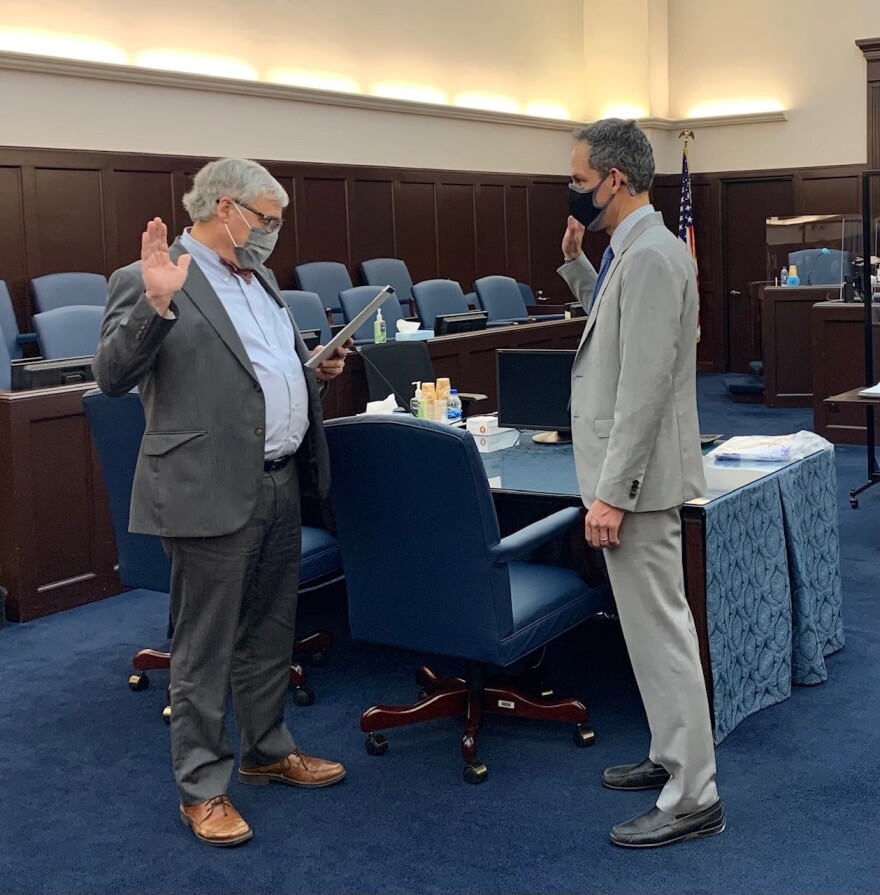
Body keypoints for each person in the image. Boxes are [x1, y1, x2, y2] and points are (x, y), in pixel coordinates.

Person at [94, 158, 349, 847]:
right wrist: (153, 307)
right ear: (226, 207)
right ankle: (202, 787)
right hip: (205, 485)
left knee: (270, 630)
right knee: (204, 645)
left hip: (277, 477)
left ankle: (267, 749)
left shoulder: (260, 278)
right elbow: (112, 376)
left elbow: (253, 376)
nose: (272, 236)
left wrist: (310, 373)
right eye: (266, 221)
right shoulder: (151, 276)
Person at [558, 120, 724, 848]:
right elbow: (618, 330)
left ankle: (694, 792)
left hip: (641, 485)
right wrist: (575, 268)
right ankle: (668, 752)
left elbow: (646, 385)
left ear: (614, 181)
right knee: (650, 634)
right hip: (631, 478)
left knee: (664, 635)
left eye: (578, 180)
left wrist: (612, 492)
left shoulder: (654, 256)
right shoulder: (634, 251)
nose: (572, 192)